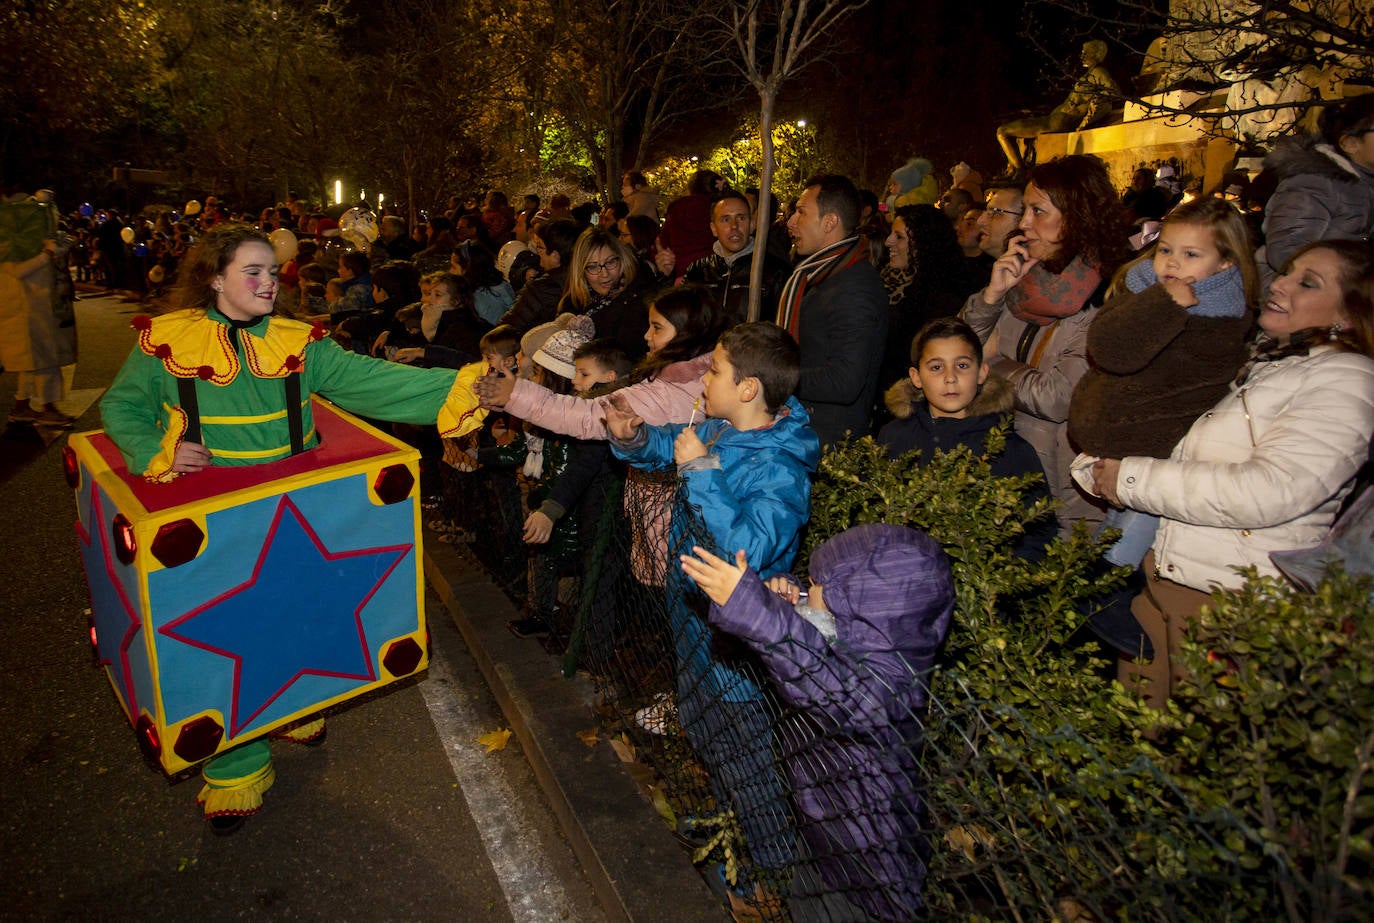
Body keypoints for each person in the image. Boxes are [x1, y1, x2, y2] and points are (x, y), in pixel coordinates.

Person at [98, 225, 490, 832]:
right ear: (214, 278)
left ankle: (294, 707)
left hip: (295, 507)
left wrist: (466, 384)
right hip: (216, 515)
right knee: (226, 631)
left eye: (270, 271)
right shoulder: (166, 342)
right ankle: (238, 766)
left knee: (304, 611)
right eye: (250, 271)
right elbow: (120, 406)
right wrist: (159, 449)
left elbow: (372, 381)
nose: (266, 282)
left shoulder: (298, 343)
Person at [1086, 240, 1374, 708]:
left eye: (1308, 283)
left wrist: (1129, 479)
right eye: (1287, 271)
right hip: (1165, 579)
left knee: (1199, 758)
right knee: (1136, 745)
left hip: (1228, 604)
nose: (1280, 283)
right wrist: (1100, 465)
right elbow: (1178, 443)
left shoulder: (1346, 379)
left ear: (1349, 311)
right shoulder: (1263, 362)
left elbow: (1271, 490)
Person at [606, 321, 819, 898]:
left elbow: (747, 549)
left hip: (735, 650)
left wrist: (702, 472)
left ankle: (771, 864)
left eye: (716, 370)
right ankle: (732, 827)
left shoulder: (779, 467)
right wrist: (633, 436)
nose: (705, 376)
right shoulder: (724, 427)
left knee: (745, 755)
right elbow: (671, 439)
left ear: (749, 388)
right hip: (695, 628)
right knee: (704, 732)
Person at [679, 523, 954, 922]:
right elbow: (812, 651)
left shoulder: (889, 688)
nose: (809, 583)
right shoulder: (853, 644)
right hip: (822, 839)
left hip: (869, 877)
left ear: (855, 601)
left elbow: (827, 684)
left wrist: (758, 612)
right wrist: (783, 599)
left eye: (819, 582)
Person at [1069, 197, 1258, 570]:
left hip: (1158, 465)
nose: (1172, 262)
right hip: (1119, 459)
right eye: (1166, 249)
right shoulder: (1142, 291)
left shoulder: (1217, 322)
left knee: (1111, 568)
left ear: (1225, 262)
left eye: (1191, 255)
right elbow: (1105, 343)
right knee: (1098, 557)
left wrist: (1164, 304)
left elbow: (1118, 353)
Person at [961, 154, 1130, 534]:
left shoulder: (1105, 297)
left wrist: (993, 365)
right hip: (1008, 473)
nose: (1024, 223)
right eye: (1024, 212)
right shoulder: (1023, 278)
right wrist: (990, 298)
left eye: (1038, 211)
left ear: (1077, 216)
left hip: (1064, 493)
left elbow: (1057, 397)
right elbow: (957, 352)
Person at [879, 318, 1052, 557]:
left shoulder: (1011, 450)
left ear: (981, 372)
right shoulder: (895, 436)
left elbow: (1037, 536)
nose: (950, 378)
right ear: (916, 377)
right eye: (936, 367)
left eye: (961, 366)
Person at [777, 173, 889, 446]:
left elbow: (845, 380)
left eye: (801, 213)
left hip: (828, 443)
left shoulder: (855, 287)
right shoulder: (817, 274)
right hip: (804, 428)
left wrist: (775, 377)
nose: (791, 222)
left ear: (830, 222)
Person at [1255, 94, 1374, 285]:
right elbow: (1287, 252)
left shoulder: (1366, 184)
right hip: (1293, 299)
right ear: (1350, 143)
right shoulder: (1315, 183)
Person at [879, 205, 970, 391]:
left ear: (923, 243)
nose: (888, 242)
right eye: (891, 234)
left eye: (899, 237)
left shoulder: (943, 299)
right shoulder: (886, 280)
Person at [997, 40, 1121, 173]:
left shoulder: (1099, 72)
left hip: (1059, 121)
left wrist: (1089, 105)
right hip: (1056, 118)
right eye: (1082, 52)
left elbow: (1114, 92)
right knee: (1008, 132)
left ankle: (1020, 171)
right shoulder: (1090, 74)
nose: (1082, 55)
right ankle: (1016, 170)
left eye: (1086, 52)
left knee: (1002, 131)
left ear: (1097, 54)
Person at [675, 190, 791, 326]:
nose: (734, 226)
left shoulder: (775, 271)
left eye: (741, 218)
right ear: (713, 228)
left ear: (752, 225)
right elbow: (677, 318)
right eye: (725, 219)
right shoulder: (697, 271)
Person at [556, 226, 650, 358]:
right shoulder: (573, 304)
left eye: (610, 262)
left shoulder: (638, 301)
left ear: (622, 259)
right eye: (593, 267)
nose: (604, 274)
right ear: (581, 271)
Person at [497, 219, 579, 334]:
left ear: (555, 255)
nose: (537, 250)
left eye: (540, 246)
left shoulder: (540, 289)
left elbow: (506, 327)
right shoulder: (581, 279)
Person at [658, 170, 722, 279]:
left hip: (682, 268)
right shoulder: (719, 209)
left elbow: (664, 239)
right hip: (713, 268)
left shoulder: (678, 208)